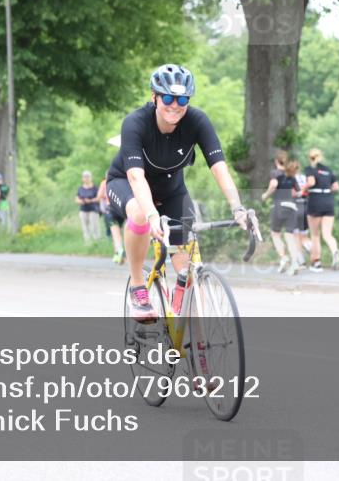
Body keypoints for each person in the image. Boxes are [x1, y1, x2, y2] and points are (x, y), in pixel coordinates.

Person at [105, 64, 247, 322]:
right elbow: (136, 176)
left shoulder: (197, 121)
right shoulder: (135, 123)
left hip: (172, 191)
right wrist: (150, 214)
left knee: (188, 271)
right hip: (126, 184)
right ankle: (139, 288)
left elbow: (219, 167)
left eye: (182, 99)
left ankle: (193, 342)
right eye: (168, 97)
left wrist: (237, 207)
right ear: (154, 97)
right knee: (137, 212)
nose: (175, 105)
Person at [261, 155, 305, 275]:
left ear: (276, 161)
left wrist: (266, 195)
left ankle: (283, 257)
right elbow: (299, 192)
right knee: (289, 236)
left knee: (275, 234)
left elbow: (274, 184)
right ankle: (294, 262)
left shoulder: (275, 173)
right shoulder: (291, 175)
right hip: (292, 206)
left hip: (279, 206)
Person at [304, 148, 339, 271]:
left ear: (310, 157)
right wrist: (327, 190)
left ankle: (316, 262)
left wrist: (302, 190)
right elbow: (336, 187)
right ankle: (335, 251)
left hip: (315, 201)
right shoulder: (328, 170)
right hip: (328, 201)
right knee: (327, 234)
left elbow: (311, 182)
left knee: (315, 235)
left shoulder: (310, 169)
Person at [97, 173, 125, 264]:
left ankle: (119, 251)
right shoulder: (123, 182)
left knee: (115, 234)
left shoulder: (104, 183)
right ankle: (117, 254)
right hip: (121, 211)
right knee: (119, 233)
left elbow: (99, 196)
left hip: (111, 210)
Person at [76, 171, 102, 243]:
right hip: (83, 210)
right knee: (85, 227)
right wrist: (81, 201)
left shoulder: (95, 188)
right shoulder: (80, 188)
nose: (86, 178)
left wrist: (90, 200)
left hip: (93, 209)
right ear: (82, 178)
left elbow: (99, 198)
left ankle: (97, 241)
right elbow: (77, 198)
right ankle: (87, 242)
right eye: (85, 177)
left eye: (87, 177)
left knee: (94, 226)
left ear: (90, 178)